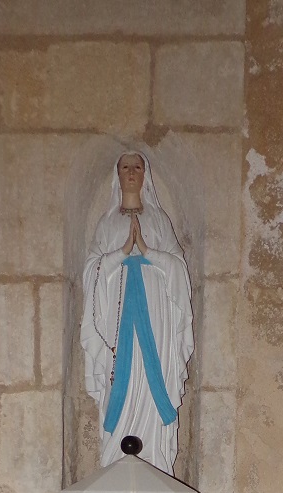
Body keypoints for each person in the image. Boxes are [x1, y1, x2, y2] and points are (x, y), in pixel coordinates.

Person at [80, 152, 194, 475]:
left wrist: (146, 250)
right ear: (117, 175)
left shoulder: (159, 222)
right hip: (118, 329)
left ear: (145, 175)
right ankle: (116, 461)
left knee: (151, 383)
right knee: (122, 387)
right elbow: (91, 272)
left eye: (137, 167)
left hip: (156, 327)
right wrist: (120, 253)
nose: (131, 172)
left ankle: (156, 463)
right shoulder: (107, 223)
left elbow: (179, 271)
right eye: (125, 167)